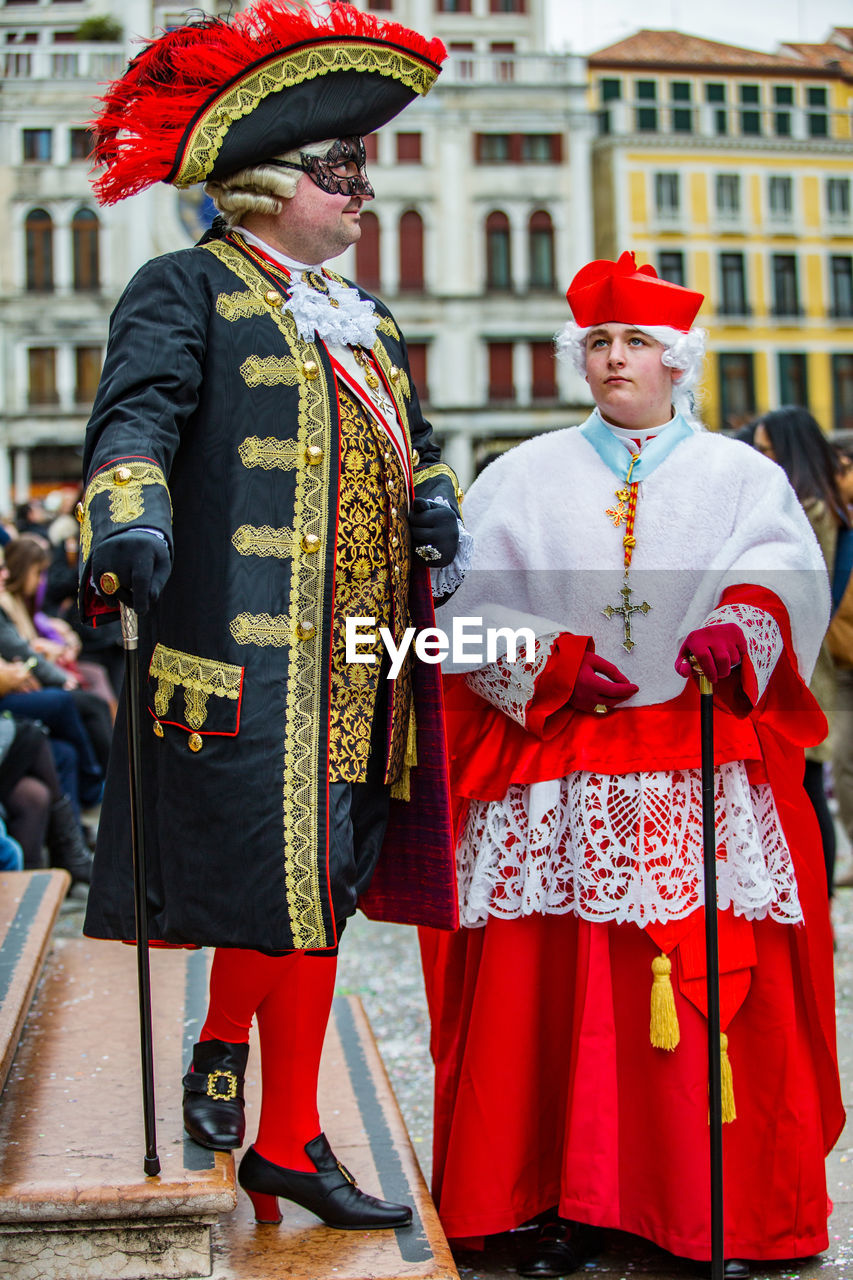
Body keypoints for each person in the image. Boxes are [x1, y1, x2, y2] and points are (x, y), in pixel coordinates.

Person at [78, 0, 462, 1233]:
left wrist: (437, 500)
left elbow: (419, 442)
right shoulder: (185, 283)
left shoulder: (372, 319)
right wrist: (128, 517)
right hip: (246, 655)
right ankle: (287, 1137)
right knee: (279, 887)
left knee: (318, 886)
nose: (363, 192)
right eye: (344, 170)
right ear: (268, 183)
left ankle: (229, 1052)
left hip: (364, 661)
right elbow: (133, 417)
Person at [420, 252, 842, 1276]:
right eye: (599, 342)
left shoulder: (743, 477)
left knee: (709, 986)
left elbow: (786, 567)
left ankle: (719, 1210)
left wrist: (742, 626)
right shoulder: (518, 473)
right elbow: (455, 612)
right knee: (546, 987)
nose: (615, 358)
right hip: (558, 763)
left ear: (677, 360)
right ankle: (543, 1200)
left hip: (696, 756)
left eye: (636, 342)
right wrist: (550, 659)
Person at [751, 407, 847, 898]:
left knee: (808, 789)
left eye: (768, 449)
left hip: (812, 669)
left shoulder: (810, 513)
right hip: (810, 666)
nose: (761, 457)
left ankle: (818, 897)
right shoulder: (820, 506)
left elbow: (806, 596)